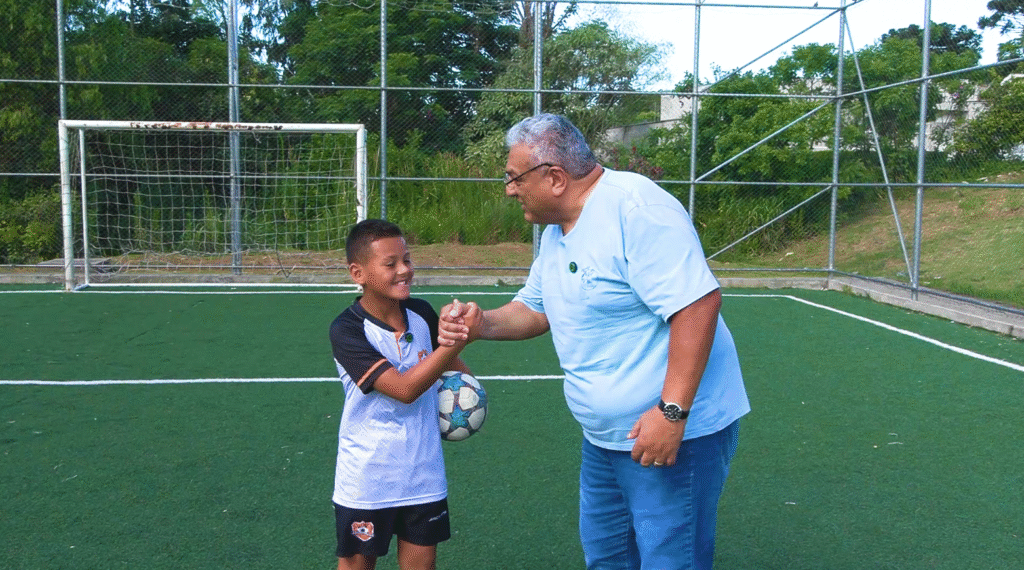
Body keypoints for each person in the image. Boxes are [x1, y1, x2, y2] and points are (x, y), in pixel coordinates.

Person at [439, 114, 750, 570]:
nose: (508, 189)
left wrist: (671, 412)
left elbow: (697, 305)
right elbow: (536, 308)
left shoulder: (636, 209)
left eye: (513, 178)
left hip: (670, 433)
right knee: (607, 557)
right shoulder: (554, 231)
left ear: (556, 178)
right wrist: (480, 322)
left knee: (670, 561)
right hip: (604, 438)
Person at [329, 219, 475, 570]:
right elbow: (404, 390)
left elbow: (461, 376)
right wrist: (456, 340)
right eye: (390, 264)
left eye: (407, 260)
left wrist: (452, 335)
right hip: (368, 479)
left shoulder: (422, 313)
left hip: (423, 476)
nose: (404, 270)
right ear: (358, 272)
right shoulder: (347, 329)